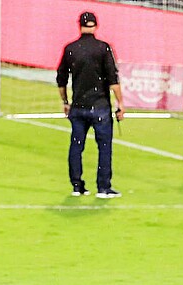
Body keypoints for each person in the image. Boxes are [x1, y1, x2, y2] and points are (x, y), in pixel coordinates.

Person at [56, 11, 124, 199]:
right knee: (104, 147)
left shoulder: (71, 48)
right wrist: (121, 103)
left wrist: (65, 102)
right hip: (100, 106)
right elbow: (113, 80)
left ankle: (77, 186)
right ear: (96, 26)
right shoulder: (103, 49)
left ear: (79, 25)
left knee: (76, 146)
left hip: (78, 106)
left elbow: (61, 79)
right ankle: (103, 187)